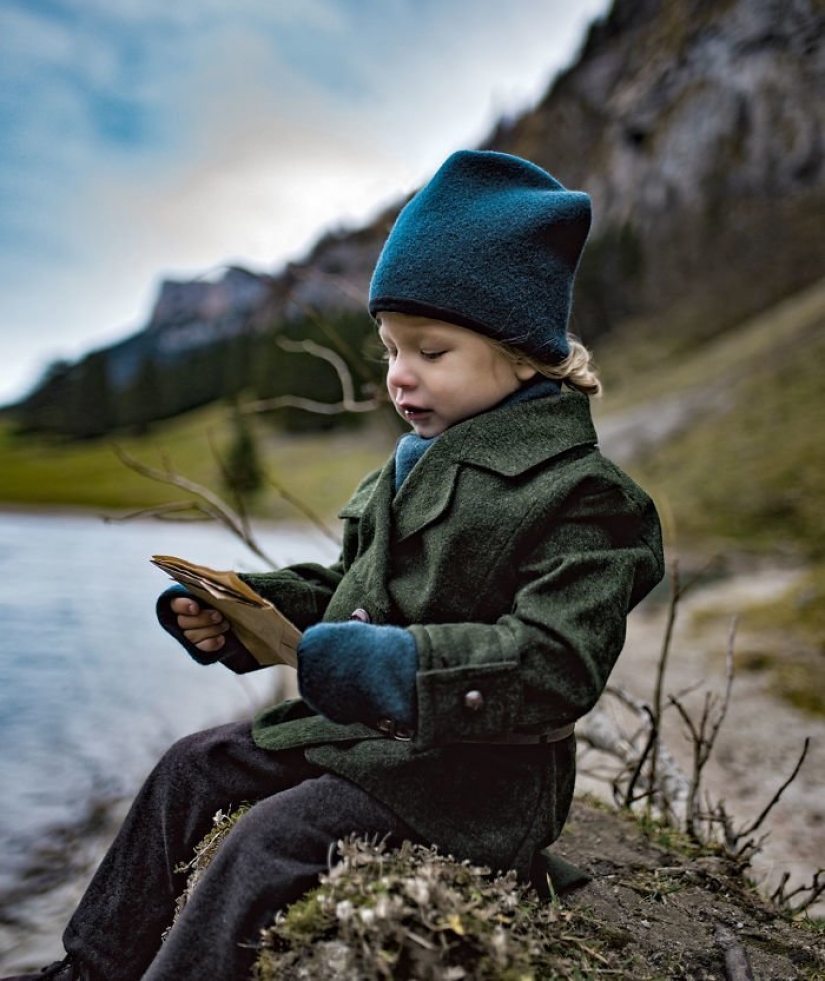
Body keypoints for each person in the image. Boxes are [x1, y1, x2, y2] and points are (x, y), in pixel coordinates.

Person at [6, 150, 664, 981]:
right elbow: (350, 590)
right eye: (391, 348)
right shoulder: (406, 466)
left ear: (523, 353)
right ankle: (89, 968)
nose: (399, 376)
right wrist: (247, 610)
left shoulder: (582, 496)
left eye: (431, 350)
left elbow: (556, 665)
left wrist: (393, 667)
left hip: (474, 775)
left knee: (266, 840)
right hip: (360, 736)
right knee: (189, 766)